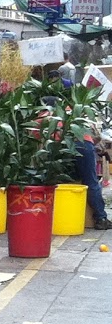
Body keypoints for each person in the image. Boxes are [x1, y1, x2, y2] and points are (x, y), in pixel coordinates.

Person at [58, 64, 111, 230]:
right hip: (82, 143)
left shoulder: (55, 108)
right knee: (91, 181)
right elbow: (94, 133)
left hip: (60, 146)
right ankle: (100, 218)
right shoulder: (80, 107)